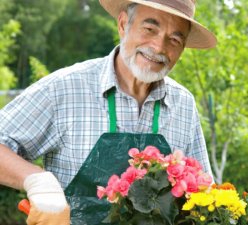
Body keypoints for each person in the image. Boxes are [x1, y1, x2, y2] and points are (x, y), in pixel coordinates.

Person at [0, 0, 216, 224]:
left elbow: (203, 191)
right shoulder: (64, 88)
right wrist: (38, 181)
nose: (159, 47)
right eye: (150, 29)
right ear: (123, 24)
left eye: (174, 39)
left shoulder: (183, 104)